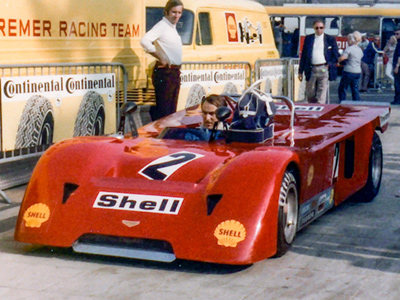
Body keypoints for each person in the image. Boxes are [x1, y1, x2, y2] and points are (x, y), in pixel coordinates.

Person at [140, 0, 183, 121]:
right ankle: (159, 136)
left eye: (179, 12)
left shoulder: (172, 28)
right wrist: (160, 56)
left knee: (170, 110)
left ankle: (165, 136)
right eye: (174, 12)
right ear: (166, 12)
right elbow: (144, 41)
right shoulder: (162, 26)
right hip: (165, 72)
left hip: (174, 72)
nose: (176, 15)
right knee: (164, 111)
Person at [298, 19, 339, 103]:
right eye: (317, 28)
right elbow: (304, 55)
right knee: (310, 92)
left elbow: (335, 55)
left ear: (324, 28)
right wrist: (300, 71)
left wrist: (329, 64)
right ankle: (312, 105)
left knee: (322, 92)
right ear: (313, 28)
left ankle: (320, 106)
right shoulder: (309, 38)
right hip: (311, 68)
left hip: (323, 68)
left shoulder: (330, 39)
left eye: (321, 28)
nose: (319, 30)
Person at [337, 31, 364, 101]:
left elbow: (343, 57)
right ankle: (357, 103)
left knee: (343, 88)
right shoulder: (360, 50)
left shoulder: (349, 49)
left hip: (348, 71)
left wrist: (338, 60)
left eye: (348, 40)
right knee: (355, 89)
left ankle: (342, 102)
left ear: (352, 40)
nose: (347, 41)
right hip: (358, 71)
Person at [391, 28, 400, 105]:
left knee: (397, 83)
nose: (396, 35)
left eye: (397, 34)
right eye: (395, 34)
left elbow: (399, 56)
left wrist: (397, 66)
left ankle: (397, 100)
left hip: (398, 66)